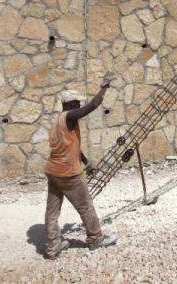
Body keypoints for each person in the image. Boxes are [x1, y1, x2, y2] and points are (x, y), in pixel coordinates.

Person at [43, 72, 117, 260]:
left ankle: (53, 246)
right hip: (68, 173)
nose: (80, 105)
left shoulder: (59, 120)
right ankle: (95, 239)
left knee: (52, 211)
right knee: (85, 206)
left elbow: (70, 145)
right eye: (77, 103)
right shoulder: (69, 116)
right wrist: (105, 85)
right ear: (70, 104)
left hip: (53, 171)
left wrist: (86, 161)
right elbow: (92, 105)